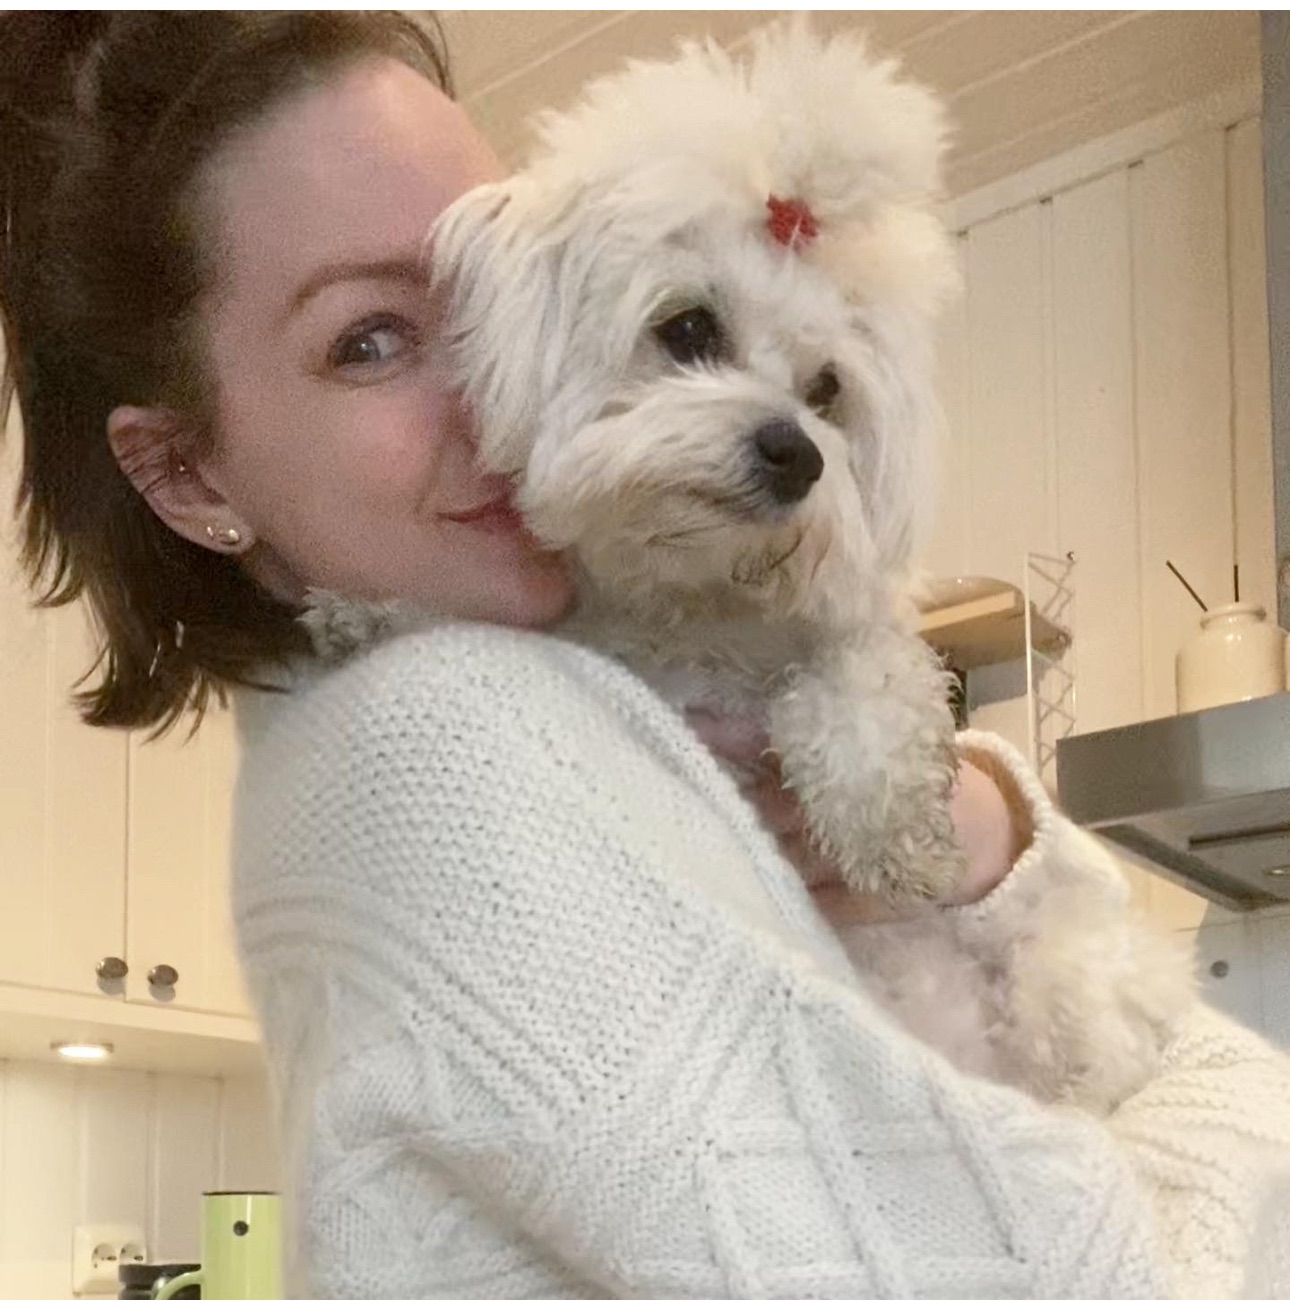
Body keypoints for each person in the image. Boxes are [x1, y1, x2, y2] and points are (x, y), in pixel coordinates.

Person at [2, 11, 1287, 1300]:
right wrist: (1239, 1098)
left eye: (513, 282)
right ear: (186, 472)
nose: (506, 378)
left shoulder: (470, 709)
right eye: (370, 340)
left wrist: (978, 826)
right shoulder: (439, 739)